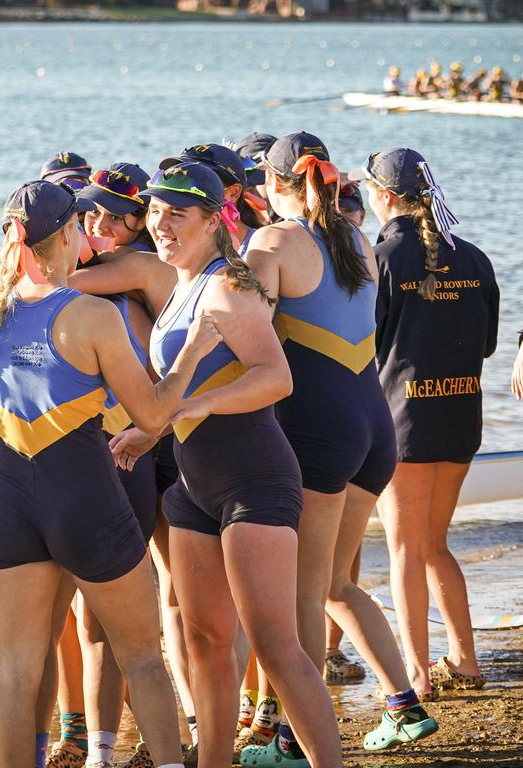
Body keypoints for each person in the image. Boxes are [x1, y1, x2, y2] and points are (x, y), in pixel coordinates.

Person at [0, 179, 214, 768]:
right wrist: (194, 352)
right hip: (84, 498)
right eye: (80, 226)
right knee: (141, 656)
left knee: (19, 672)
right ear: (70, 235)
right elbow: (152, 413)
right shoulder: (93, 315)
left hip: (13, 503)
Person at [110, 161, 341, 768]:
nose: (160, 225)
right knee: (205, 640)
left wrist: (194, 405)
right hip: (192, 486)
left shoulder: (226, 285)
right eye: (155, 212)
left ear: (214, 221)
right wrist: (148, 427)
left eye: (176, 214)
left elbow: (276, 377)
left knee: (275, 643)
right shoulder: (180, 284)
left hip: (254, 479)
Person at [242, 132, 395, 765]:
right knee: (333, 582)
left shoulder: (273, 241)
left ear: (273, 186)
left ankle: (291, 739)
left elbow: (238, 329)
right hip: (374, 425)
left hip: (322, 432)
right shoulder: (358, 237)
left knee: (304, 594)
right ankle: (405, 701)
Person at [352, 148, 499, 699]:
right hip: (461, 414)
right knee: (434, 543)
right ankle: (463, 661)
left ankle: (416, 676)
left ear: (385, 196)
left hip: (403, 419)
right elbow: (484, 345)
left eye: (368, 188)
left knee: (406, 550)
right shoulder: (477, 258)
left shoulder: (381, 258)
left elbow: (362, 345)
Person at [160, 144, 260, 255]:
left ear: (233, 193)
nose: (184, 188)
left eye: (200, 179)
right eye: (180, 177)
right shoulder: (170, 244)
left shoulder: (262, 247)